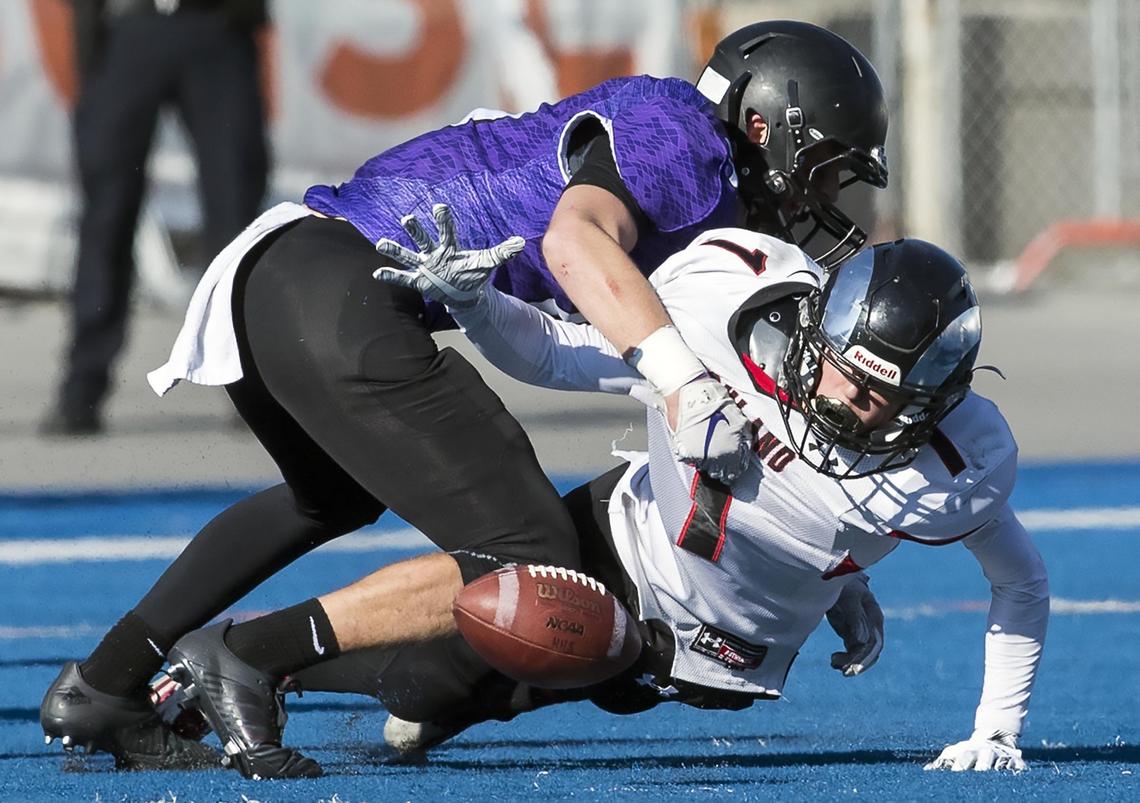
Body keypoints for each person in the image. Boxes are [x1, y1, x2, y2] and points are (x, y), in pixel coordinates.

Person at [40, 20, 890, 775]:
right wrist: (680, 379)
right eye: (822, 169)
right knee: (535, 556)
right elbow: (576, 241)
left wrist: (803, 535)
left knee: (326, 498)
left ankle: (105, 683)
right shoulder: (685, 139)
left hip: (297, 277)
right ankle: (245, 658)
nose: (823, 198)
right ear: (763, 123)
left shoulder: (689, 171)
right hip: (340, 286)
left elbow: (583, 344)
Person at [162, 221, 1048, 777]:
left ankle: (234, 665)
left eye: (884, 397)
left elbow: (1020, 580)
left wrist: (992, 725)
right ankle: (242, 652)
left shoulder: (954, 463)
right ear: (816, 328)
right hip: (618, 544)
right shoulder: (728, 313)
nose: (853, 402)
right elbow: (555, 352)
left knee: (423, 697)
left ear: (935, 399)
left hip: (717, 660)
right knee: (489, 612)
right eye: (846, 373)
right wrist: (477, 308)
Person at [41, 0, 270, 436]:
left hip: (215, 24)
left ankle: (252, 385)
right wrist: (90, 50)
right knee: (107, 214)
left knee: (237, 217)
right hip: (129, 27)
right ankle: (82, 387)